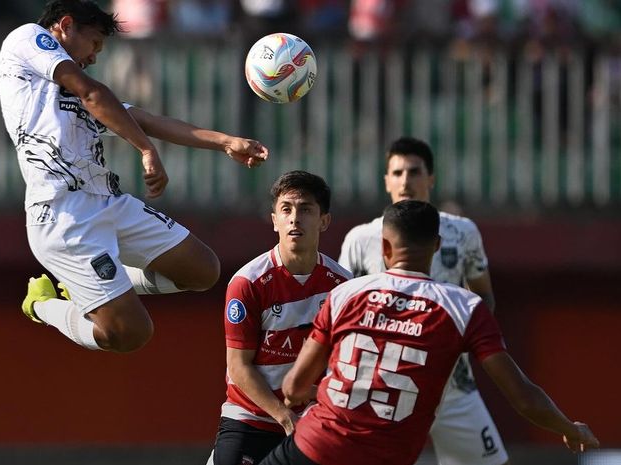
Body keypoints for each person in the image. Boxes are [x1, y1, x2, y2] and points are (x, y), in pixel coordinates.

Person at [0, 0, 269, 353]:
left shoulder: (76, 96)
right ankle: (42, 305)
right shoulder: (27, 39)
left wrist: (226, 142)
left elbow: (149, 119)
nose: (94, 56)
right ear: (65, 25)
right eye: (94, 43)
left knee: (202, 270)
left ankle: (88, 287)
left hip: (107, 202)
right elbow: (92, 92)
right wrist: (146, 150)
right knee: (130, 333)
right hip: (63, 215)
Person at [260, 200, 600, 465]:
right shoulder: (464, 308)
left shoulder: (346, 293)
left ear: (385, 249)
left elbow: (294, 387)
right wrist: (568, 427)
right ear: (436, 246)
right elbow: (523, 397)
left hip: (314, 447)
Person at [338, 136, 505, 464]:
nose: (405, 181)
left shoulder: (462, 232)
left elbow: (483, 295)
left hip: (452, 387)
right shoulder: (360, 240)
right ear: (386, 180)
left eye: (414, 172)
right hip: (383, 387)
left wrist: (464, 340)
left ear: (431, 178)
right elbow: (341, 309)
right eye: (397, 173)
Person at [206, 171, 352, 465]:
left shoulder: (343, 286)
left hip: (314, 420)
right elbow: (238, 366)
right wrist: (284, 416)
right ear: (274, 220)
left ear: (324, 221)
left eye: (306, 209)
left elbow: (343, 364)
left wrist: (312, 400)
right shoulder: (247, 282)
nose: (294, 218)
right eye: (286, 209)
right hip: (250, 418)